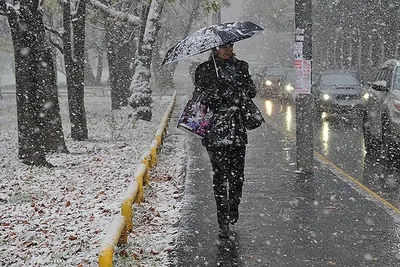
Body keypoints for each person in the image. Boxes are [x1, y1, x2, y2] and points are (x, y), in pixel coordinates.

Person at [193, 43, 257, 238]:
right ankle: (222, 221)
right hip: (215, 130)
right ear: (215, 50)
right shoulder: (205, 70)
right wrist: (218, 92)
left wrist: (242, 87)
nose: (227, 51)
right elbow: (199, 97)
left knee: (237, 177)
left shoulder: (241, 66)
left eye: (230, 47)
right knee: (220, 178)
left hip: (237, 129)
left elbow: (252, 91)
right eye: (223, 48)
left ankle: (233, 206)